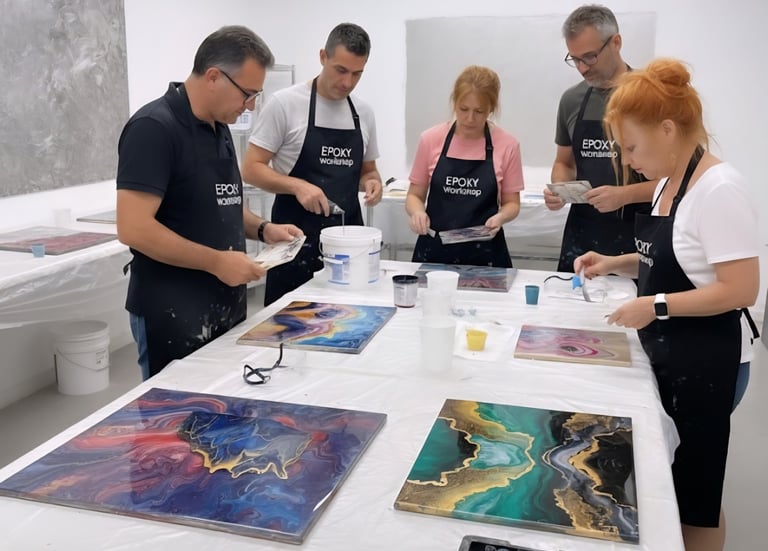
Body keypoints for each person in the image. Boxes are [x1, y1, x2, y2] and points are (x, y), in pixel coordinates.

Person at [575, 58, 760, 551]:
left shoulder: (719, 189)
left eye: (632, 146)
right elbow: (670, 257)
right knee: (668, 485)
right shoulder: (666, 183)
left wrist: (654, 306)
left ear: (668, 129)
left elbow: (741, 290)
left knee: (696, 494)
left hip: (708, 364)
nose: (627, 158)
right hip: (670, 354)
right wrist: (613, 262)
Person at [116, 26, 303, 380]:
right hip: (172, 310)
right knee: (176, 422)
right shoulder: (154, 129)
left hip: (223, 303)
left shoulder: (219, 127)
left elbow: (223, 204)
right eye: (248, 94)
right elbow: (133, 228)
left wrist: (264, 229)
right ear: (214, 77)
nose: (251, 105)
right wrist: (217, 261)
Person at [241, 22, 383, 305]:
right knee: (288, 333)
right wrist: (297, 186)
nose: (347, 82)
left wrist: (373, 183)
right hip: (294, 244)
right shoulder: (285, 104)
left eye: (357, 74)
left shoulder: (363, 113)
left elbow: (368, 170)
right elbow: (251, 168)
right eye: (341, 70)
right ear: (323, 57)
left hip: (348, 249)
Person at [546, 4, 657, 273]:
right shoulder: (571, 100)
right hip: (582, 233)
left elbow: (676, 182)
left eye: (590, 57)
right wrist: (559, 188)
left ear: (616, 42)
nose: (582, 68)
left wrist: (624, 195)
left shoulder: (651, 96)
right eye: (575, 59)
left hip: (637, 237)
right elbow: (564, 162)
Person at [405, 65, 523, 267]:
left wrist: (501, 217)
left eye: (479, 111)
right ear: (454, 103)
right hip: (435, 252)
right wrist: (417, 212)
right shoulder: (431, 139)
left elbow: (512, 203)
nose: (470, 119)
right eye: (463, 109)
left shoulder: (507, 145)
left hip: (486, 256)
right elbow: (414, 195)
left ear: (491, 109)